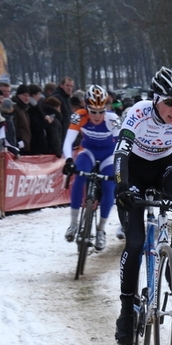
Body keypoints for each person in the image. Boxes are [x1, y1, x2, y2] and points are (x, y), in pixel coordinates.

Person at [113, 67, 172, 345]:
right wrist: (122, 187)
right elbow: (121, 153)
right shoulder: (138, 113)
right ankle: (125, 312)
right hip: (132, 172)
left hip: (163, 168)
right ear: (154, 98)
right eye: (169, 102)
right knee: (134, 244)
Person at [62, 85, 120, 250]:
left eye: (101, 111)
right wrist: (68, 160)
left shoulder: (113, 119)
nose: (97, 115)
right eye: (93, 111)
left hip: (109, 155)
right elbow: (67, 142)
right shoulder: (78, 116)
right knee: (79, 176)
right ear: (86, 107)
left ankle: (101, 230)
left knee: (109, 187)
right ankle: (73, 223)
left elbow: (121, 145)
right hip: (89, 152)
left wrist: (119, 166)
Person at [52, 76, 75, 141]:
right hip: (60, 135)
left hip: (67, 133)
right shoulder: (57, 98)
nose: (69, 88)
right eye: (67, 85)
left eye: (71, 86)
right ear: (61, 85)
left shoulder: (67, 98)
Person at [12, 85, 32, 153]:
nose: (26, 98)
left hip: (24, 144)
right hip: (19, 145)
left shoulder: (24, 108)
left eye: (28, 96)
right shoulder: (15, 108)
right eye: (24, 95)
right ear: (18, 95)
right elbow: (13, 127)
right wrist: (19, 141)